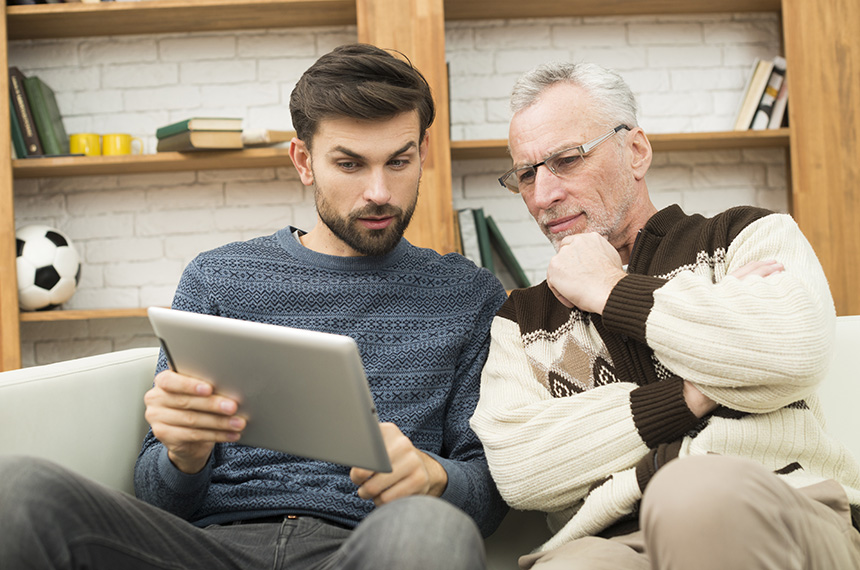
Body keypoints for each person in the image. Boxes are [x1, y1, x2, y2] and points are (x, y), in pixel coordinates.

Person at [0, 43, 508, 569]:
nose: (379, 192)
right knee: (19, 489)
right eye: (350, 164)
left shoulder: (468, 296)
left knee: (433, 528)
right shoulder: (218, 279)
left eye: (398, 161)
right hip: (207, 550)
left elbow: (489, 498)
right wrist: (184, 456)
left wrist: (435, 476)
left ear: (424, 150)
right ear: (304, 161)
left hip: (367, 550)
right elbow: (158, 495)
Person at [470, 60, 860, 569]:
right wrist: (695, 387)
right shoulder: (521, 319)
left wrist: (609, 289)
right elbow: (520, 468)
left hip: (778, 505)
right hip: (613, 539)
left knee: (692, 495)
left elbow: (792, 351)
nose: (543, 195)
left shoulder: (746, 236)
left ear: (635, 151)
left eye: (566, 160)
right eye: (526, 174)